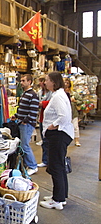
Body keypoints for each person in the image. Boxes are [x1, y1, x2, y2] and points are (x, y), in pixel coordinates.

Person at [39, 71, 74, 210]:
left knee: (56, 167)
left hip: (58, 135)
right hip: (59, 134)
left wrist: (52, 127)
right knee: (58, 165)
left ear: (53, 82)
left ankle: (57, 200)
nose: (45, 82)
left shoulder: (58, 96)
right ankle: (61, 196)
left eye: (47, 80)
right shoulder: (58, 94)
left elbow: (64, 116)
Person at [14, 74, 39, 176]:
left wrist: (26, 120)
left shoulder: (33, 94)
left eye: (24, 81)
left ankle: (33, 166)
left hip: (27, 124)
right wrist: (16, 116)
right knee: (22, 144)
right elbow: (23, 108)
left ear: (29, 82)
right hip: (22, 122)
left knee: (25, 145)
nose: (21, 82)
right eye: (21, 80)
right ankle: (28, 164)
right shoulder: (25, 93)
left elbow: (33, 111)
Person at [37, 75, 52, 168]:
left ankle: (49, 160)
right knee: (44, 140)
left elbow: (51, 103)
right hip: (42, 118)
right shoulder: (39, 92)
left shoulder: (52, 93)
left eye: (43, 81)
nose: (41, 83)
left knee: (48, 141)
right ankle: (45, 160)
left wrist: (42, 103)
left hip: (49, 119)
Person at [64, 78, 82, 147]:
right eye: (65, 83)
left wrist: (75, 101)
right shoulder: (62, 93)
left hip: (73, 113)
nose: (66, 84)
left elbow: (81, 101)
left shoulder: (74, 93)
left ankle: (77, 140)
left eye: (67, 83)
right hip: (65, 113)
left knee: (75, 127)